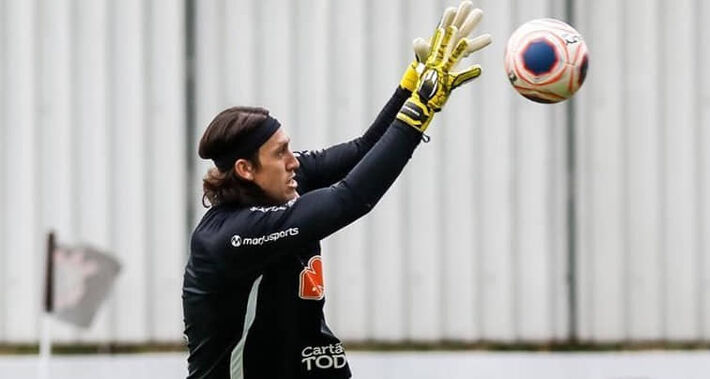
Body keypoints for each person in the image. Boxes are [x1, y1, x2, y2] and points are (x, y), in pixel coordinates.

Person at [182, 2, 491, 378]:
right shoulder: (230, 235)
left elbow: (363, 150)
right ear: (246, 169)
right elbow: (350, 198)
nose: (295, 162)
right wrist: (418, 113)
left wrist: (411, 89)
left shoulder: (281, 185)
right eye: (280, 153)